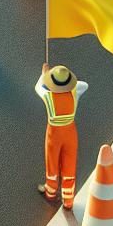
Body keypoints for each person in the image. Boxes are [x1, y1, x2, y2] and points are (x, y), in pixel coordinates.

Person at [35, 63, 88, 208]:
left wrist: (44, 73)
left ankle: (51, 191)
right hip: (70, 133)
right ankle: (68, 200)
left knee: (52, 162)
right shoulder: (75, 92)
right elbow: (84, 85)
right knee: (69, 164)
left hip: (54, 134)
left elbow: (38, 86)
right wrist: (71, 85)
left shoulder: (48, 96)